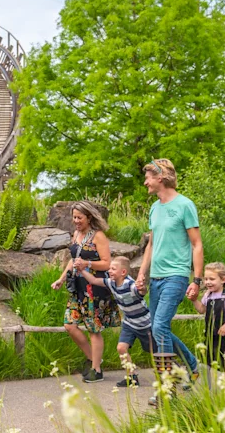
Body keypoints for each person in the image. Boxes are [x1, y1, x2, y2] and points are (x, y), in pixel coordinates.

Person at [134, 158, 202, 398]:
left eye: (148, 178)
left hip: (177, 275)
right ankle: (192, 365)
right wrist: (142, 273)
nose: (145, 182)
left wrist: (197, 280)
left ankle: (167, 385)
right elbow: (151, 244)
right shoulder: (155, 208)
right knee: (156, 328)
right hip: (157, 278)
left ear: (160, 177)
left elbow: (196, 244)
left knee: (160, 325)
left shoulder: (185, 205)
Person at [51, 201, 118, 383]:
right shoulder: (76, 234)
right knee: (70, 324)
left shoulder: (98, 236)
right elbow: (73, 260)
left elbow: (106, 263)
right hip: (77, 288)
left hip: (94, 288)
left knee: (93, 329)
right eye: (74, 217)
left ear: (89, 217)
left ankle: (96, 370)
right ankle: (93, 358)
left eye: (79, 217)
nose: (76, 221)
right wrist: (61, 279)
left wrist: (88, 264)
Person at [79, 255, 153, 389]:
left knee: (154, 350)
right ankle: (132, 377)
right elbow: (94, 280)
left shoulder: (130, 285)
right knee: (121, 348)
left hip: (144, 324)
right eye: (110, 268)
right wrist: (81, 269)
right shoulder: (111, 283)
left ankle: (171, 368)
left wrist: (142, 287)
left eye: (113, 269)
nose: (110, 271)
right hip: (129, 323)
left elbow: (141, 291)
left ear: (123, 272)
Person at [189, 262, 225, 368]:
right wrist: (194, 300)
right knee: (208, 361)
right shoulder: (208, 295)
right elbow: (201, 309)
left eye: (212, 279)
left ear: (223, 279)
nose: (208, 282)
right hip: (211, 334)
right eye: (206, 279)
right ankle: (209, 383)